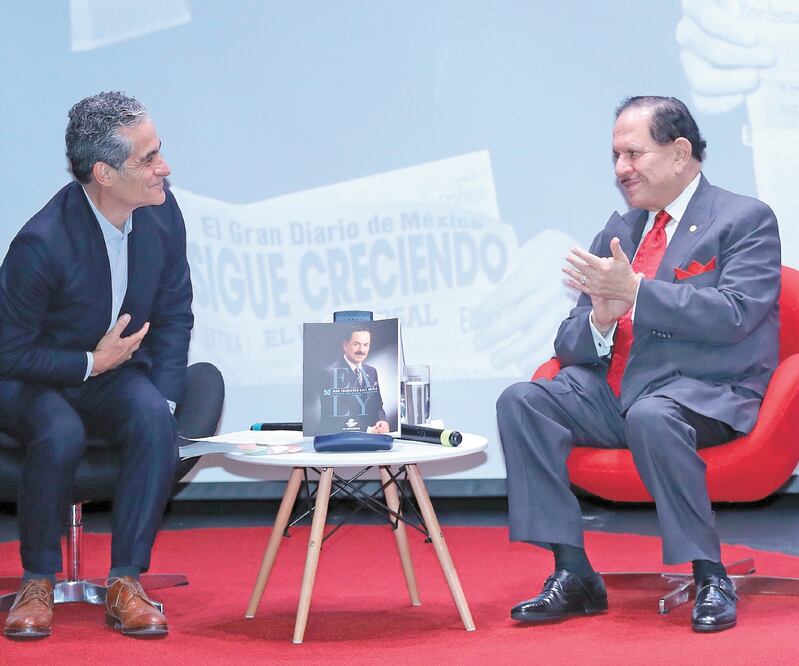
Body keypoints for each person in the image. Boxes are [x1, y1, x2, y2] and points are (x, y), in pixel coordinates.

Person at [496, 95, 780, 633]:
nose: (622, 170)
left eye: (632, 153)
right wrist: (601, 319)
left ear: (679, 153)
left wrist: (638, 292)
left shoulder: (744, 219)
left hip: (704, 392)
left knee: (653, 414)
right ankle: (573, 572)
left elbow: (736, 315)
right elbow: (569, 342)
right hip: (618, 393)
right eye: (615, 158)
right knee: (523, 401)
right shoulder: (620, 231)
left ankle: (709, 574)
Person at [0, 92, 193, 639]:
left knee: (154, 416)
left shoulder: (162, 211)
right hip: (29, 376)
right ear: (105, 173)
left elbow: (176, 311)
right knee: (58, 430)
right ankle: (37, 580)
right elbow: (7, 351)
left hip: (106, 373)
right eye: (149, 158)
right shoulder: (42, 243)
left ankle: (126, 580)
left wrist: (165, 396)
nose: (165, 168)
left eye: (160, 151)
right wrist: (90, 360)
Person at [317, 326, 389, 434]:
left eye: (366, 345)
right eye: (356, 344)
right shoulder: (329, 374)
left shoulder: (371, 371)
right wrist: (369, 430)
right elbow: (337, 414)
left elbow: (377, 405)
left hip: (371, 437)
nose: (361, 350)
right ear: (345, 345)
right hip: (337, 439)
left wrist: (383, 421)